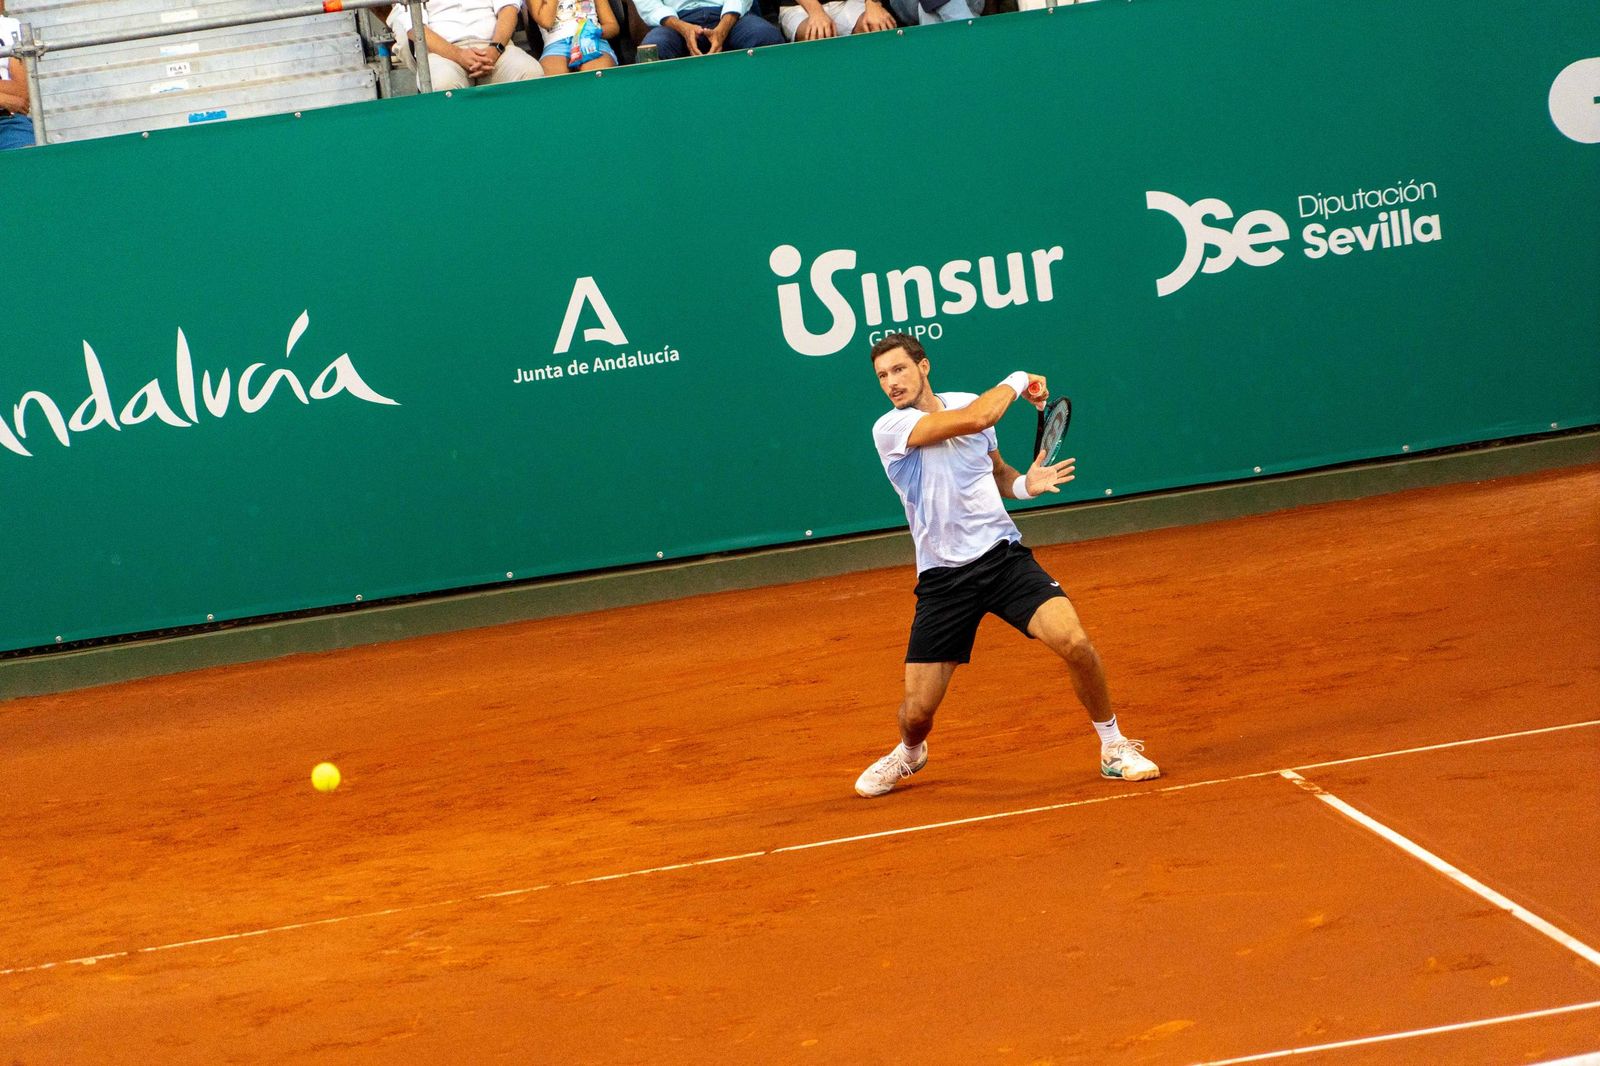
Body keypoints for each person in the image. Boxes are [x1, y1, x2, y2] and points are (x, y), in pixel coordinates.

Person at [855, 332, 1160, 798]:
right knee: (916, 712)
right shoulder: (891, 429)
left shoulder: (963, 403)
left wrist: (1025, 486)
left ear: (923, 366)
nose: (891, 382)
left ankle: (1113, 746)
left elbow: (997, 472)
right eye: (882, 376)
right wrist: (1019, 379)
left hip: (1002, 558)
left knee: (1075, 642)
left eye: (898, 369)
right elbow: (980, 415)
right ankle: (910, 753)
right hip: (943, 579)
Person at [385, 0, 543, 91]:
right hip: (443, 54)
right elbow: (414, 26)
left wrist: (495, 49)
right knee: (441, 84)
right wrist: (458, 55)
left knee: (530, 72)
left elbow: (508, 8)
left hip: (496, 49)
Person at [633, 0, 782, 61]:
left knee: (766, 37)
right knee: (653, 50)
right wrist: (683, 28)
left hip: (732, 15)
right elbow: (648, 5)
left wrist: (723, 28)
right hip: (675, 21)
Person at [530, 0, 621, 75]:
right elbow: (546, 22)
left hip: (592, 39)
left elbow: (613, 26)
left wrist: (596, 31)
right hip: (556, 45)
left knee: (595, 74)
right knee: (554, 82)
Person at [775, 0, 896, 43]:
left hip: (846, 3)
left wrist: (873, 3)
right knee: (817, 34)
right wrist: (816, 12)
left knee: (877, 27)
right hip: (800, 7)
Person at [0, 7, 35, 151]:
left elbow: (22, 94)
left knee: (31, 162)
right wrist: (3, 99)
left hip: (7, 122)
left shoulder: (9, 26)